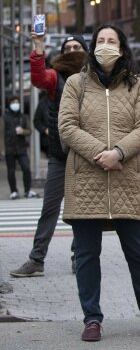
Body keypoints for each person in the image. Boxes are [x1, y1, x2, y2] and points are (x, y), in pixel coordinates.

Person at [58, 24, 140, 342]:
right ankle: (92, 319)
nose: (105, 45)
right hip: (86, 180)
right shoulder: (75, 84)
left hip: (125, 179)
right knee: (85, 255)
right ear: (92, 47)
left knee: (139, 253)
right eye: (100, 41)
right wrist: (101, 153)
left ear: (122, 48)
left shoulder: (136, 85)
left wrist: (120, 151)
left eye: (112, 41)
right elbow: (66, 127)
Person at [10, 34, 88, 278]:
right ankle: (37, 259)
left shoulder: (94, 77)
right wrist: (39, 48)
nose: (73, 50)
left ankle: (80, 257)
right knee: (49, 208)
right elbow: (38, 77)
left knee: (82, 210)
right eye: (68, 48)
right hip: (60, 154)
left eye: (77, 47)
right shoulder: (55, 77)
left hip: (86, 154)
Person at [3, 96, 36, 200]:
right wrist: (2, 149)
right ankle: (13, 191)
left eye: (17, 102)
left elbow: (29, 130)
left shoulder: (23, 117)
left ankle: (27, 190)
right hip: (9, 148)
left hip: (21, 147)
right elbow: (1, 133)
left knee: (26, 168)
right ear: (10, 104)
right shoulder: (5, 117)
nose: (16, 104)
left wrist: (23, 131)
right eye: (13, 102)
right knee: (11, 171)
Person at [33, 92, 50, 157]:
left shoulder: (65, 99)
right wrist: (45, 129)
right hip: (49, 142)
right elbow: (36, 121)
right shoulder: (43, 103)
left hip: (65, 140)